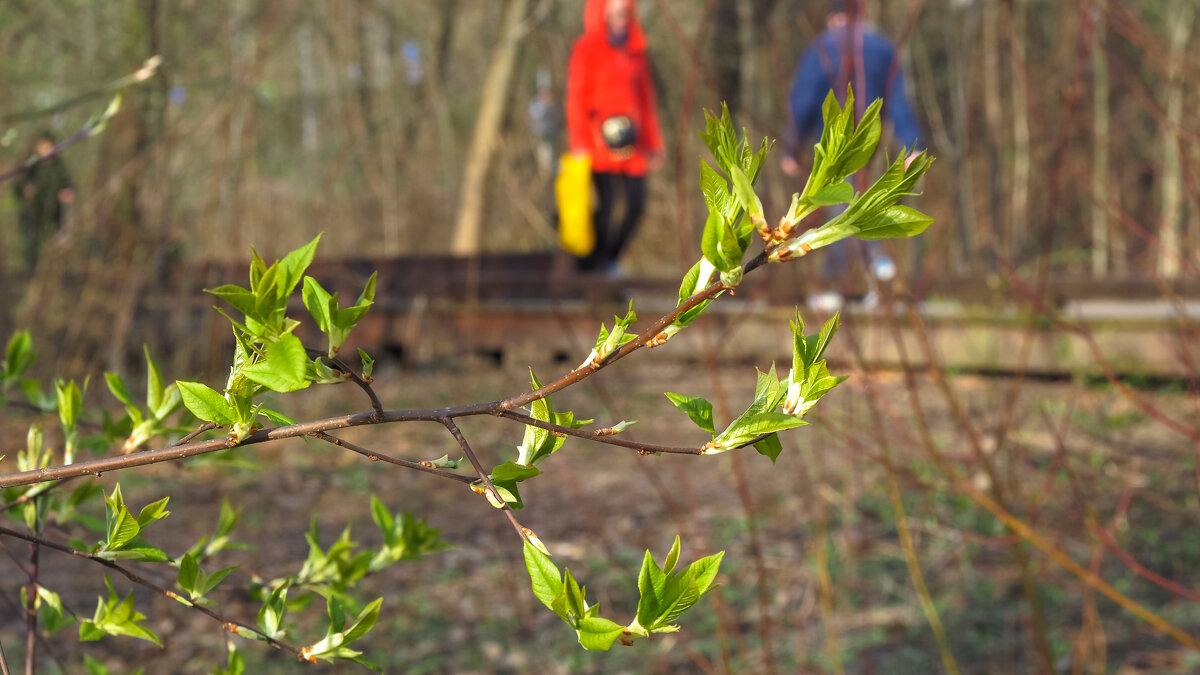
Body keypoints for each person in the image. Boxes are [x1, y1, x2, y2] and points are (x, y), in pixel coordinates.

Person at [782, 0, 923, 309]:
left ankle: (847, 277)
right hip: (870, 145)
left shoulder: (821, 47)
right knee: (863, 204)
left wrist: (791, 147)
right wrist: (913, 146)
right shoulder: (883, 49)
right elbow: (900, 103)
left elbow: (802, 100)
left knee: (837, 209)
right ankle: (873, 272)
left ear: (833, 17)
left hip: (831, 146)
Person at [566, 0, 664, 275]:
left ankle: (610, 259)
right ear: (604, 13)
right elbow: (576, 99)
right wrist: (579, 142)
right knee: (604, 207)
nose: (620, 16)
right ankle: (592, 265)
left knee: (636, 204)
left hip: (632, 143)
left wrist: (655, 144)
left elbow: (645, 100)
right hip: (597, 142)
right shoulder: (586, 48)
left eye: (624, 11)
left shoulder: (636, 49)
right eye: (615, 11)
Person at [13, 131, 74, 271]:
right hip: (32, 215)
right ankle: (31, 272)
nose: (43, 149)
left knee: (53, 246)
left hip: (54, 214)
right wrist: (25, 190)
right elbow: (18, 187)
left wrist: (68, 192)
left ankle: (49, 273)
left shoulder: (59, 166)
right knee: (32, 246)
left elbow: (69, 183)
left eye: (46, 145)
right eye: (40, 146)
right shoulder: (32, 166)